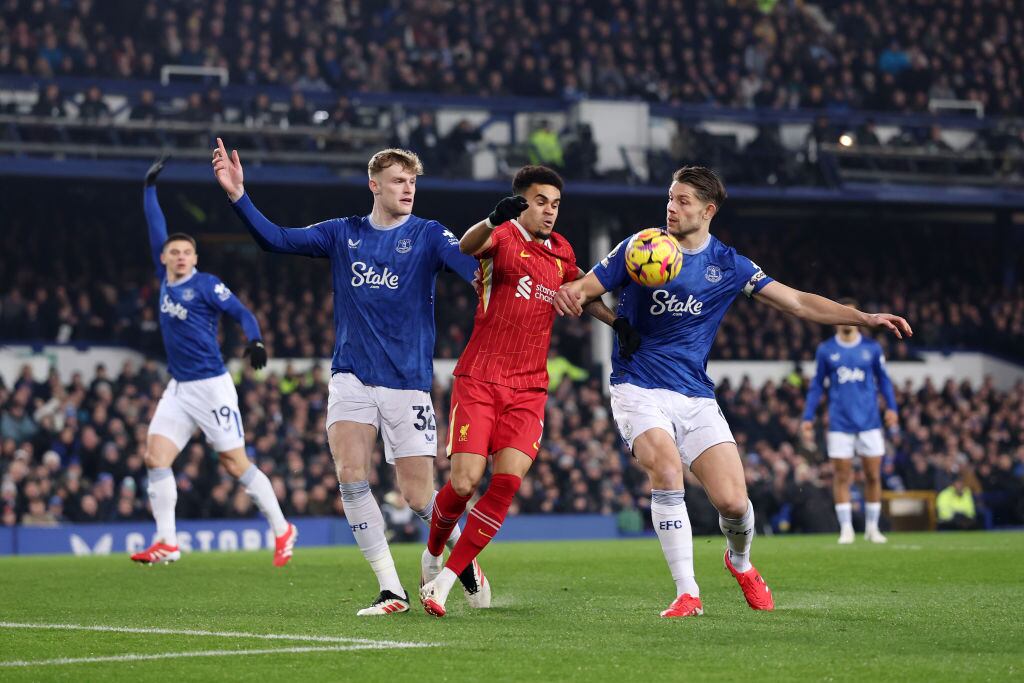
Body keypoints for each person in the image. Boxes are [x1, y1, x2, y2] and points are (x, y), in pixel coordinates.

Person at [554, 166, 912, 618]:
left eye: (682, 201)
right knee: (666, 470)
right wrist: (595, 310)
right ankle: (687, 592)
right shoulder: (639, 247)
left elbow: (798, 302)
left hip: (695, 394)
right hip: (637, 386)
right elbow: (584, 290)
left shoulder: (729, 265)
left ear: (708, 210)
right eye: (670, 198)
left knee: (734, 504)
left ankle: (739, 562)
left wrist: (864, 318)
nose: (671, 207)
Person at [212, 139, 486, 616]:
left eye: (412, 182)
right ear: (374, 185)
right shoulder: (343, 233)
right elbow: (276, 239)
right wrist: (238, 195)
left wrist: (486, 277)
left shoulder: (429, 234)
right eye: (398, 181)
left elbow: (470, 266)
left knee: (419, 497)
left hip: (408, 384)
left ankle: (463, 561)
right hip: (352, 378)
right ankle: (391, 590)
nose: (408, 189)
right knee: (351, 474)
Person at [418, 165, 623, 617]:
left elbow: (583, 290)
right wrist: (493, 218)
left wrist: (617, 324)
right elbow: (467, 246)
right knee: (464, 483)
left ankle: (445, 581)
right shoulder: (502, 236)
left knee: (507, 482)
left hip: (529, 388)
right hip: (480, 378)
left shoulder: (562, 251)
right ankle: (432, 553)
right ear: (522, 202)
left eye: (555, 204)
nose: (549, 211)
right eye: (540, 202)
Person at [131, 155, 296, 567]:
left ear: (195, 259)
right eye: (174, 251)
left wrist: (255, 341)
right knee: (155, 458)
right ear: (164, 257)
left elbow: (242, 313)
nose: (180, 256)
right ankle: (167, 542)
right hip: (179, 387)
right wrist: (149, 188)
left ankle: (282, 529)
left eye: (187, 252)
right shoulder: (164, 279)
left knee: (235, 464)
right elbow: (154, 226)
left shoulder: (207, 285)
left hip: (211, 387)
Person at [801, 303, 898, 544]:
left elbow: (884, 380)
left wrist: (892, 408)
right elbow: (817, 385)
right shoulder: (826, 350)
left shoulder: (871, 348)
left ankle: (872, 528)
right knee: (842, 476)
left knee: (873, 475)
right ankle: (846, 529)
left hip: (870, 422)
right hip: (839, 423)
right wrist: (808, 416)